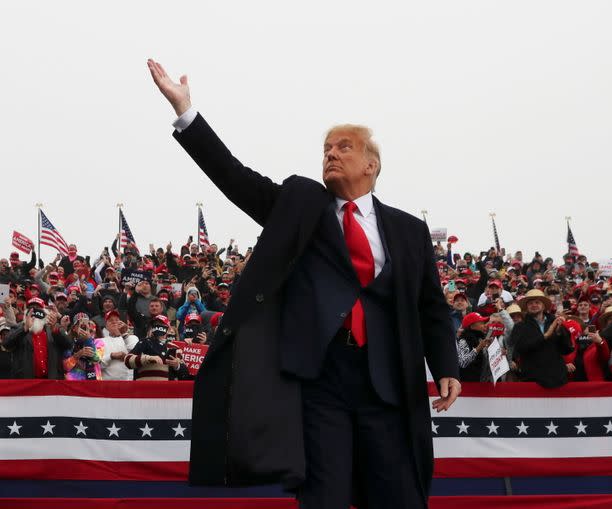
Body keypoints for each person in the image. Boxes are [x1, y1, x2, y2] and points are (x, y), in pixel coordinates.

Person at [147, 59, 460, 508]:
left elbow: (430, 306)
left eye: (344, 147)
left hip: (388, 385)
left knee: (399, 497)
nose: (331, 153)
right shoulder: (301, 204)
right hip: (319, 384)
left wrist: (446, 365)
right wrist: (186, 111)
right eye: (327, 148)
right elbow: (235, 178)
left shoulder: (409, 231)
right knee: (323, 499)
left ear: (372, 164)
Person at [509, 289, 573, 387]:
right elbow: (519, 349)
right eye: (530, 303)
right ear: (526, 307)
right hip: (532, 380)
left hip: (558, 379)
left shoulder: (556, 323)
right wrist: (544, 336)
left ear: (543, 306)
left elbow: (567, 349)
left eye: (537, 302)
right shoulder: (519, 327)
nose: (534, 305)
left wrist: (560, 332)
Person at [1, 298, 73, 379]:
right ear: (26, 312)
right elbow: (6, 344)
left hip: (51, 382)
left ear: (44, 311)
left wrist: (55, 330)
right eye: (31, 308)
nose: (34, 311)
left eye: (38, 308)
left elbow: (69, 345)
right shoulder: (18, 327)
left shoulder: (54, 328)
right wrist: (24, 329)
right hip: (26, 383)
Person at [100, 310, 139, 381]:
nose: (114, 322)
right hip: (106, 384)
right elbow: (98, 365)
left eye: (117, 320)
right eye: (110, 320)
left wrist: (124, 333)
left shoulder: (132, 338)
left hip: (128, 383)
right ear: (106, 326)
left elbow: (136, 354)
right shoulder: (100, 341)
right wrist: (111, 356)